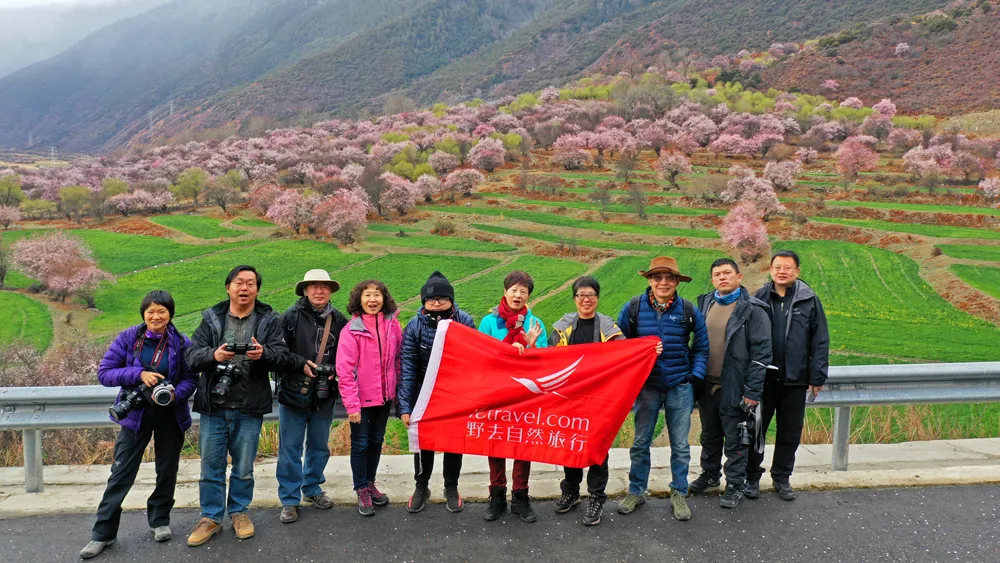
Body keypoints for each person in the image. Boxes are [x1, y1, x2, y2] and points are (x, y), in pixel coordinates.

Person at [80, 291, 198, 560]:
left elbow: (191, 378)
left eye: (162, 311)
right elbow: (105, 374)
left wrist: (176, 394)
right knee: (121, 474)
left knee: (166, 470)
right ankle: (103, 533)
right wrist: (138, 374)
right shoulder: (129, 338)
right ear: (143, 313)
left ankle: (160, 521)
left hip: (170, 415)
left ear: (171, 314)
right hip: (135, 415)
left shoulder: (181, 342)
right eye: (151, 311)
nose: (156, 316)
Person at [185, 265, 289, 546]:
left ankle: (239, 512)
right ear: (228, 287)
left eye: (251, 283)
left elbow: (282, 357)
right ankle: (211, 518)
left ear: (257, 288)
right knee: (211, 467)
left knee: (243, 467)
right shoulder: (211, 318)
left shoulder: (269, 320)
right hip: (214, 406)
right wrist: (214, 354)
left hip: (249, 405)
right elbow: (192, 356)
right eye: (239, 283)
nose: (244, 288)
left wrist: (263, 354)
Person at [616, 256, 708, 522]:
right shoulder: (633, 308)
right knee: (641, 442)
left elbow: (701, 347)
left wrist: (693, 376)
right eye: (658, 277)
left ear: (677, 281)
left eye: (669, 277)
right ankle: (636, 490)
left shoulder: (689, 310)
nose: (663, 282)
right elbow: (620, 344)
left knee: (680, 444)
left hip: (680, 385)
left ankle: (679, 492)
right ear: (649, 280)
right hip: (646, 387)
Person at [549, 276, 638, 526]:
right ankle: (571, 492)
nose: (586, 300)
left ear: (597, 299)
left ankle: (596, 496)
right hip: (570, 398)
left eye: (591, 295)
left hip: (600, 400)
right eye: (581, 295)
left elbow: (625, 356)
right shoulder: (561, 329)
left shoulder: (610, 330)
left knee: (598, 449)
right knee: (571, 446)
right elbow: (550, 361)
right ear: (575, 299)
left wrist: (649, 350)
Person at [747, 250, 829, 501]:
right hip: (764, 381)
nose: (782, 271)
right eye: (778, 267)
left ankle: (781, 477)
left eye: (788, 268)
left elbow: (820, 340)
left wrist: (817, 376)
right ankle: (751, 478)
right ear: (770, 270)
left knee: (789, 432)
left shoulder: (809, 300)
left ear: (797, 271)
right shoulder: (758, 299)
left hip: (795, 379)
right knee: (756, 431)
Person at [690, 258, 771, 509]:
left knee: (736, 439)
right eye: (717, 274)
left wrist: (752, 391)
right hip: (706, 384)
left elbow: (762, 354)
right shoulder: (705, 303)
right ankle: (711, 474)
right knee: (710, 434)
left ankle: (735, 483)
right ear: (712, 280)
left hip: (734, 385)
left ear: (739, 277)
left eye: (727, 273)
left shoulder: (753, 309)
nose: (722, 277)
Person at [398, 271, 476, 514]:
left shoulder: (465, 321)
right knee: (423, 443)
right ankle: (421, 486)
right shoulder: (414, 325)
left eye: (442, 299)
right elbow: (408, 367)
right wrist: (405, 407)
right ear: (423, 302)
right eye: (431, 300)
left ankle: (451, 487)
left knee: (454, 443)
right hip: (424, 394)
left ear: (451, 300)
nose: (436, 304)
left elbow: (473, 363)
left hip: (455, 395)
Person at [275, 269, 348, 524]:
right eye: (314, 286)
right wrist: (299, 363)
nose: (319, 291)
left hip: (324, 394)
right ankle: (289, 499)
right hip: (294, 391)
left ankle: (313, 488)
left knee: (319, 446)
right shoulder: (289, 318)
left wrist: (335, 370)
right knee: (290, 448)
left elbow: (348, 355)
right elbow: (277, 353)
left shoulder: (340, 320)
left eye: (324, 287)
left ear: (331, 291)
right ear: (304, 290)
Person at [477, 270, 548, 523]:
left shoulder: (534, 323)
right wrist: (508, 350)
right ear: (505, 291)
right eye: (514, 290)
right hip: (497, 392)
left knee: (522, 444)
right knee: (496, 443)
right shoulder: (489, 322)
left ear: (529, 295)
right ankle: (497, 496)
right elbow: (482, 357)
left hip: (525, 396)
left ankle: (520, 497)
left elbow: (545, 362)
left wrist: (531, 346)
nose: (518, 295)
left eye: (524, 291)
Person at [337, 279, 402, 517]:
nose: (372, 300)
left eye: (377, 295)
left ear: (384, 299)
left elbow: (398, 360)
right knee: (361, 444)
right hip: (361, 401)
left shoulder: (393, 325)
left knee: (376, 442)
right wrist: (352, 405)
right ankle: (361, 488)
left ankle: (370, 483)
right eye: (367, 295)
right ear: (359, 300)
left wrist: (396, 393)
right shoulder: (351, 330)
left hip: (384, 398)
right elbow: (345, 371)